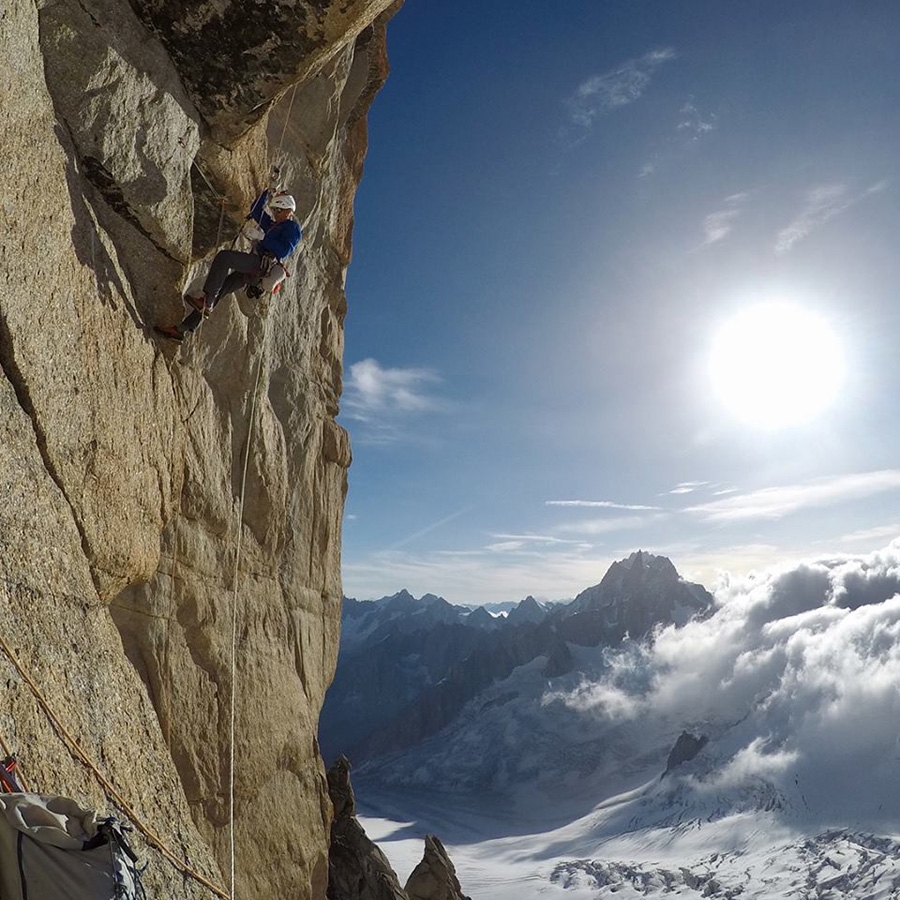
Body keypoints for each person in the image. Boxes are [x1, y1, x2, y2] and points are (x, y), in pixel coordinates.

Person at [156, 189, 302, 341]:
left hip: (261, 265)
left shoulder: (292, 229)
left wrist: (263, 237)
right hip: (255, 268)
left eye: (277, 210)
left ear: (287, 210)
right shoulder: (273, 224)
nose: (275, 214)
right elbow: (256, 209)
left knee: (224, 258)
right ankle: (181, 330)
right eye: (274, 210)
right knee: (221, 289)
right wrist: (268, 191)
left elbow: (283, 250)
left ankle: (207, 301)